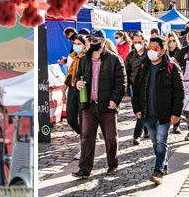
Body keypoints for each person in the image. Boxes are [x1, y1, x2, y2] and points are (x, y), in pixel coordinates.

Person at [72, 29, 126, 178]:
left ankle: (112, 165)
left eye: (95, 40)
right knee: (86, 137)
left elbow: (121, 82)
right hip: (89, 105)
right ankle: (84, 169)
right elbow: (77, 78)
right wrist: (78, 84)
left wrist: (115, 100)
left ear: (102, 41)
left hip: (107, 106)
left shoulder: (114, 59)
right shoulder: (84, 60)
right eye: (90, 40)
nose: (92, 42)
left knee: (110, 138)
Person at [132, 37, 184, 185]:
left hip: (164, 113)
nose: (151, 51)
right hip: (147, 112)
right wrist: (137, 109)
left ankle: (158, 171)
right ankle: (164, 164)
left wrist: (176, 113)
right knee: (155, 142)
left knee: (161, 141)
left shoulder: (172, 67)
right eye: (150, 48)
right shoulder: (144, 66)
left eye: (155, 48)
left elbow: (179, 92)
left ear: (162, 51)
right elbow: (137, 88)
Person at [125, 32, 149, 144]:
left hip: (148, 86)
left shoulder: (150, 54)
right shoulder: (130, 56)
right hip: (135, 87)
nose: (137, 44)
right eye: (135, 42)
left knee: (144, 109)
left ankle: (136, 135)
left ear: (144, 41)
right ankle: (146, 129)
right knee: (139, 110)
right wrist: (127, 92)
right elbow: (126, 73)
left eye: (139, 42)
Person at [63, 35, 86, 139]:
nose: (76, 46)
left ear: (84, 45)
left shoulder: (87, 58)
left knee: (83, 117)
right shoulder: (71, 56)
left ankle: (85, 138)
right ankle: (84, 134)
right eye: (75, 44)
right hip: (72, 88)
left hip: (83, 89)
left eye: (79, 44)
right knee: (70, 118)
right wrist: (63, 91)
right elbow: (68, 74)